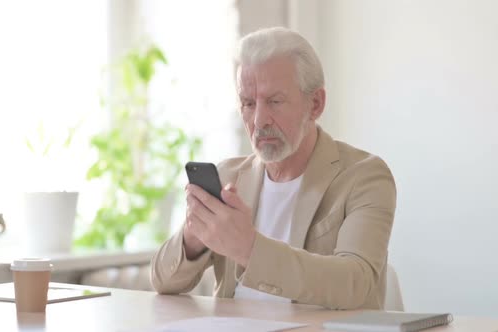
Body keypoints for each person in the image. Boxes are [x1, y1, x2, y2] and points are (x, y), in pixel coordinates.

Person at [150, 27, 396, 310]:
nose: (259, 120)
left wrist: (249, 248)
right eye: (248, 103)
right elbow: (162, 282)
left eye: (275, 102)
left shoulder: (364, 176)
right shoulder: (228, 176)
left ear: (315, 104)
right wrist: (193, 237)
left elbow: (355, 284)